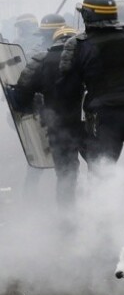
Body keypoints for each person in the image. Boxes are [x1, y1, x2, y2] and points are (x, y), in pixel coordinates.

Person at [57, 0, 124, 204]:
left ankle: (103, 232)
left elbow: (68, 90)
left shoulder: (78, 45)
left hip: (106, 118)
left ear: (88, 17)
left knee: (101, 179)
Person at [9, 26, 83, 209]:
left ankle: (68, 219)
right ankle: (104, 217)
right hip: (92, 123)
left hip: (59, 127)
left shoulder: (41, 62)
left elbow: (20, 98)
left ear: (54, 41)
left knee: (66, 175)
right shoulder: (89, 58)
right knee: (103, 170)